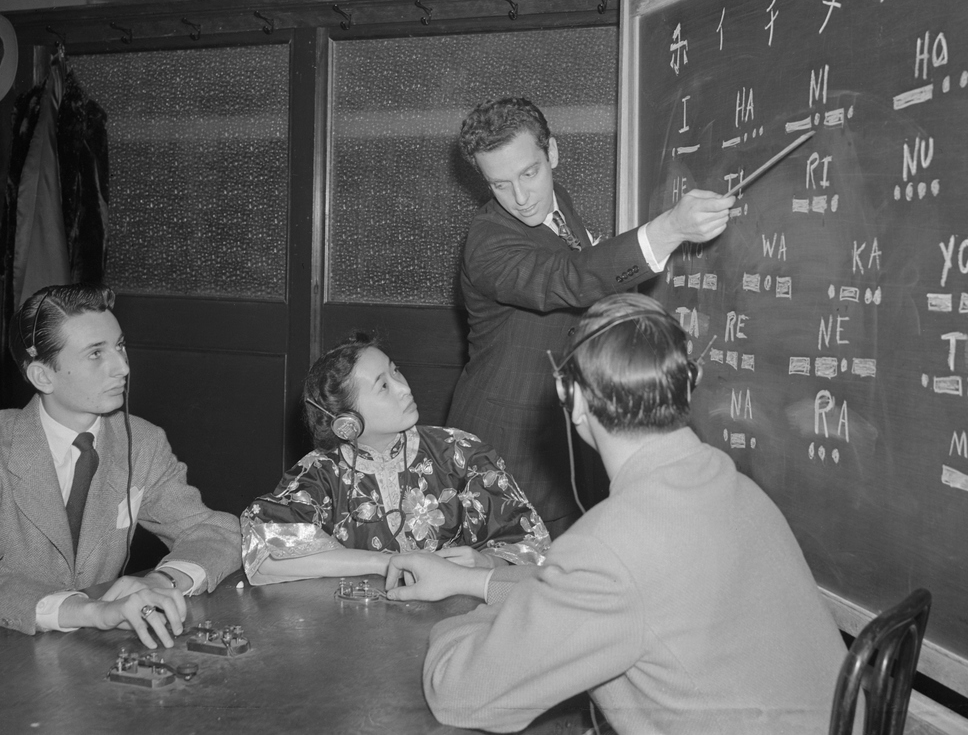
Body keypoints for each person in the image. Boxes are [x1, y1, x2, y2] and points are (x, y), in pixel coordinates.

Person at [388, 293, 846, 735]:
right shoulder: (733, 486)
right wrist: (476, 582)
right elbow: (618, 593)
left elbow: (463, 695)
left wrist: (455, 619)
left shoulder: (607, 550)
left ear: (573, 398)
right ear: (690, 381)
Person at [447, 97, 735, 534]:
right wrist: (670, 229)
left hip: (570, 432)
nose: (521, 198)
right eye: (500, 185)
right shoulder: (487, 242)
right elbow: (566, 277)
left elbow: (587, 282)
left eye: (530, 173)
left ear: (553, 154)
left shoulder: (558, 203)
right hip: (503, 445)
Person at [0, 284, 240, 649]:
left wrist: (164, 580)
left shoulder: (142, 443)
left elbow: (216, 532)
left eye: (119, 345)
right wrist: (89, 611)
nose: (122, 366)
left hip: (86, 651)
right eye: (95, 354)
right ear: (43, 376)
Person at [241, 332, 550, 584]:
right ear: (347, 422)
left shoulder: (459, 452)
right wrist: (385, 563)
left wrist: (487, 560)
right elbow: (266, 553)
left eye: (396, 370)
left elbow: (531, 543)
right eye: (384, 386)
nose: (404, 388)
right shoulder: (320, 474)